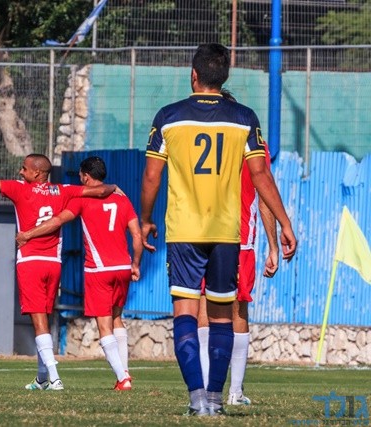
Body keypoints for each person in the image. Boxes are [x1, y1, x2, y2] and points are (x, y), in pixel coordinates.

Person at [140, 43, 297, 416]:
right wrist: (286, 222)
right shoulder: (243, 117)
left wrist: (145, 219)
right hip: (226, 232)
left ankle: (197, 399)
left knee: (185, 314)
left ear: (193, 74)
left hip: (184, 231)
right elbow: (261, 175)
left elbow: (151, 176)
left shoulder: (169, 117)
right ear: (224, 77)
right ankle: (215, 399)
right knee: (224, 317)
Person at [0, 150, 119, 391]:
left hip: (31, 262)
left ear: (38, 173)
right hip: (53, 264)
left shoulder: (20, 189)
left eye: (24, 168)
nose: (20, 172)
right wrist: (114, 187)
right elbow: (101, 191)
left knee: (39, 322)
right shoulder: (63, 190)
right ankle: (42, 377)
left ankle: (55, 378)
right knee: (45, 320)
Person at [15, 156, 143, 391]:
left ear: (85, 176)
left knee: (104, 325)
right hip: (123, 268)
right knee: (117, 318)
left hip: (98, 269)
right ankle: (123, 373)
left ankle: (123, 378)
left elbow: (57, 221)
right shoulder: (123, 200)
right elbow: (136, 235)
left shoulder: (82, 200)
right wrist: (135, 263)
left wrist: (29, 234)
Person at [197, 90, 280, 406]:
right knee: (237, 310)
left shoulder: (197, 140)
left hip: (200, 234)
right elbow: (265, 195)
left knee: (204, 306)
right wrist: (273, 245)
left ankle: (205, 392)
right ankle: (234, 392)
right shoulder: (253, 143)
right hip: (240, 238)